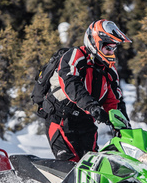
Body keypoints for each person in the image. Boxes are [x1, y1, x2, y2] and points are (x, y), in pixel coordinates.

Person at [42, 19, 132, 161]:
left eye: (113, 48)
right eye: (108, 48)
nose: (111, 52)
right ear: (95, 42)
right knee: (70, 166)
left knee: (93, 165)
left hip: (86, 122)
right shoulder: (75, 56)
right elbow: (71, 83)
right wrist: (92, 106)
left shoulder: (109, 69)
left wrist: (123, 127)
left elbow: (114, 100)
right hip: (61, 118)